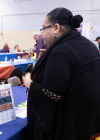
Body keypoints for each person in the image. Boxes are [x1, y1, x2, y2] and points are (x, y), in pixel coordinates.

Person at [26, 7, 100, 140]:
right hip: (87, 121)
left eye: (44, 29)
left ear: (56, 27)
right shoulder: (88, 45)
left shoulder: (62, 50)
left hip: (68, 126)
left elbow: (53, 94)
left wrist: (29, 83)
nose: (42, 35)